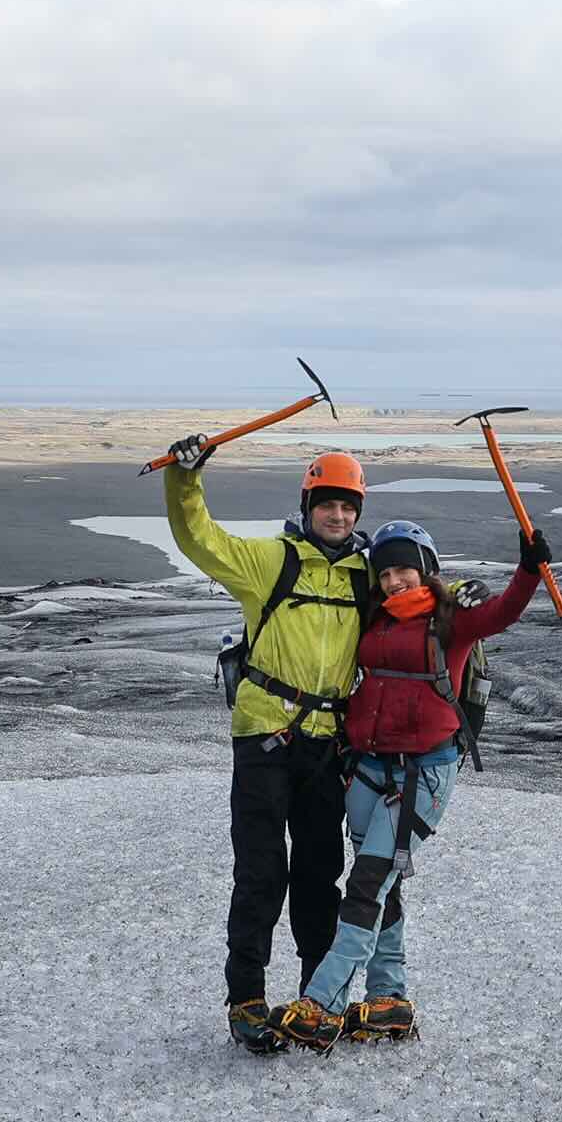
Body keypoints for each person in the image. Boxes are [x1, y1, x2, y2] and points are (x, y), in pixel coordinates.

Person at [269, 514, 548, 1051]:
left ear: (425, 570)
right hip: (368, 770)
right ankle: (389, 1000)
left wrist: (528, 570)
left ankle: (323, 1003)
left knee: (369, 883)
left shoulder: (452, 621)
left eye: (405, 570)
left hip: (423, 774)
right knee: (381, 885)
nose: (395, 580)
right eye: (387, 572)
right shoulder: (375, 617)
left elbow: (503, 612)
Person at [161, 436, 372, 1054]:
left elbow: (418, 584)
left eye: (348, 507)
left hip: (328, 743)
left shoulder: (366, 576)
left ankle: (317, 997)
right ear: (308, 505)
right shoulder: (271, 562)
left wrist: (472, 590)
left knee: (318, 873)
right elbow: (201, 539)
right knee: (260, 871)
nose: (338, 516)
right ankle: (246, 1001)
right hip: (265, 735)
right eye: (327, 504)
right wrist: (184, 479)